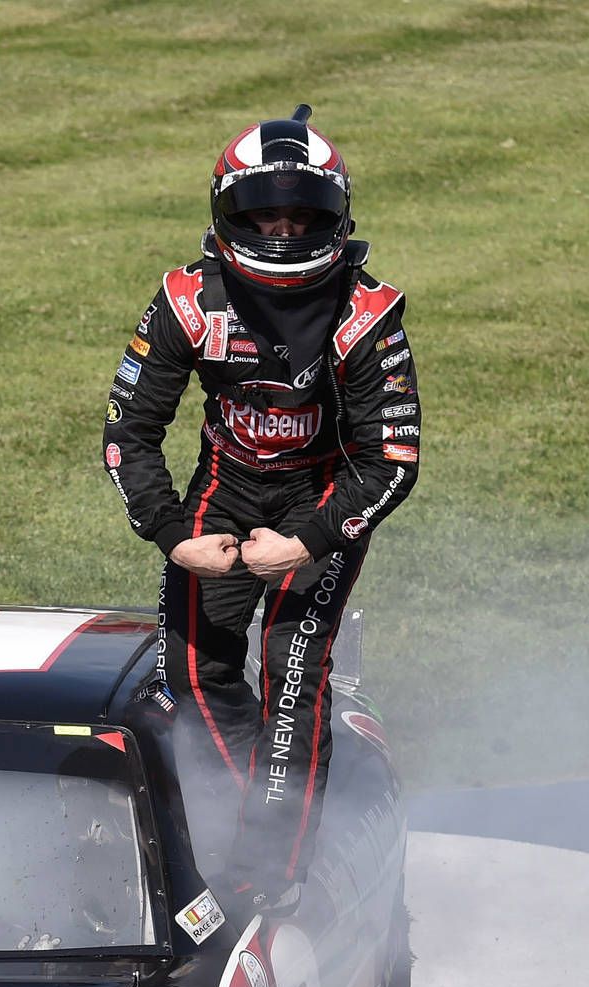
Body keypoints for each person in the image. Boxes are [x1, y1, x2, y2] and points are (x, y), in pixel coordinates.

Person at [102, 106, 420, 905]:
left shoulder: (370, 314)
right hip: (222, 492)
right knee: (194, 672)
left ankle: (271, 869)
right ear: (227, 214)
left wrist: (314, 540)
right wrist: (172, 533)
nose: (282, 231)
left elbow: (392, 459)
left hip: (324, 499)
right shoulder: (183, 301)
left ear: (336, 218)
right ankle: (267, 792)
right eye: (264, 213)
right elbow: (128, 431)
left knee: (291, 670)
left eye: (302, 213)